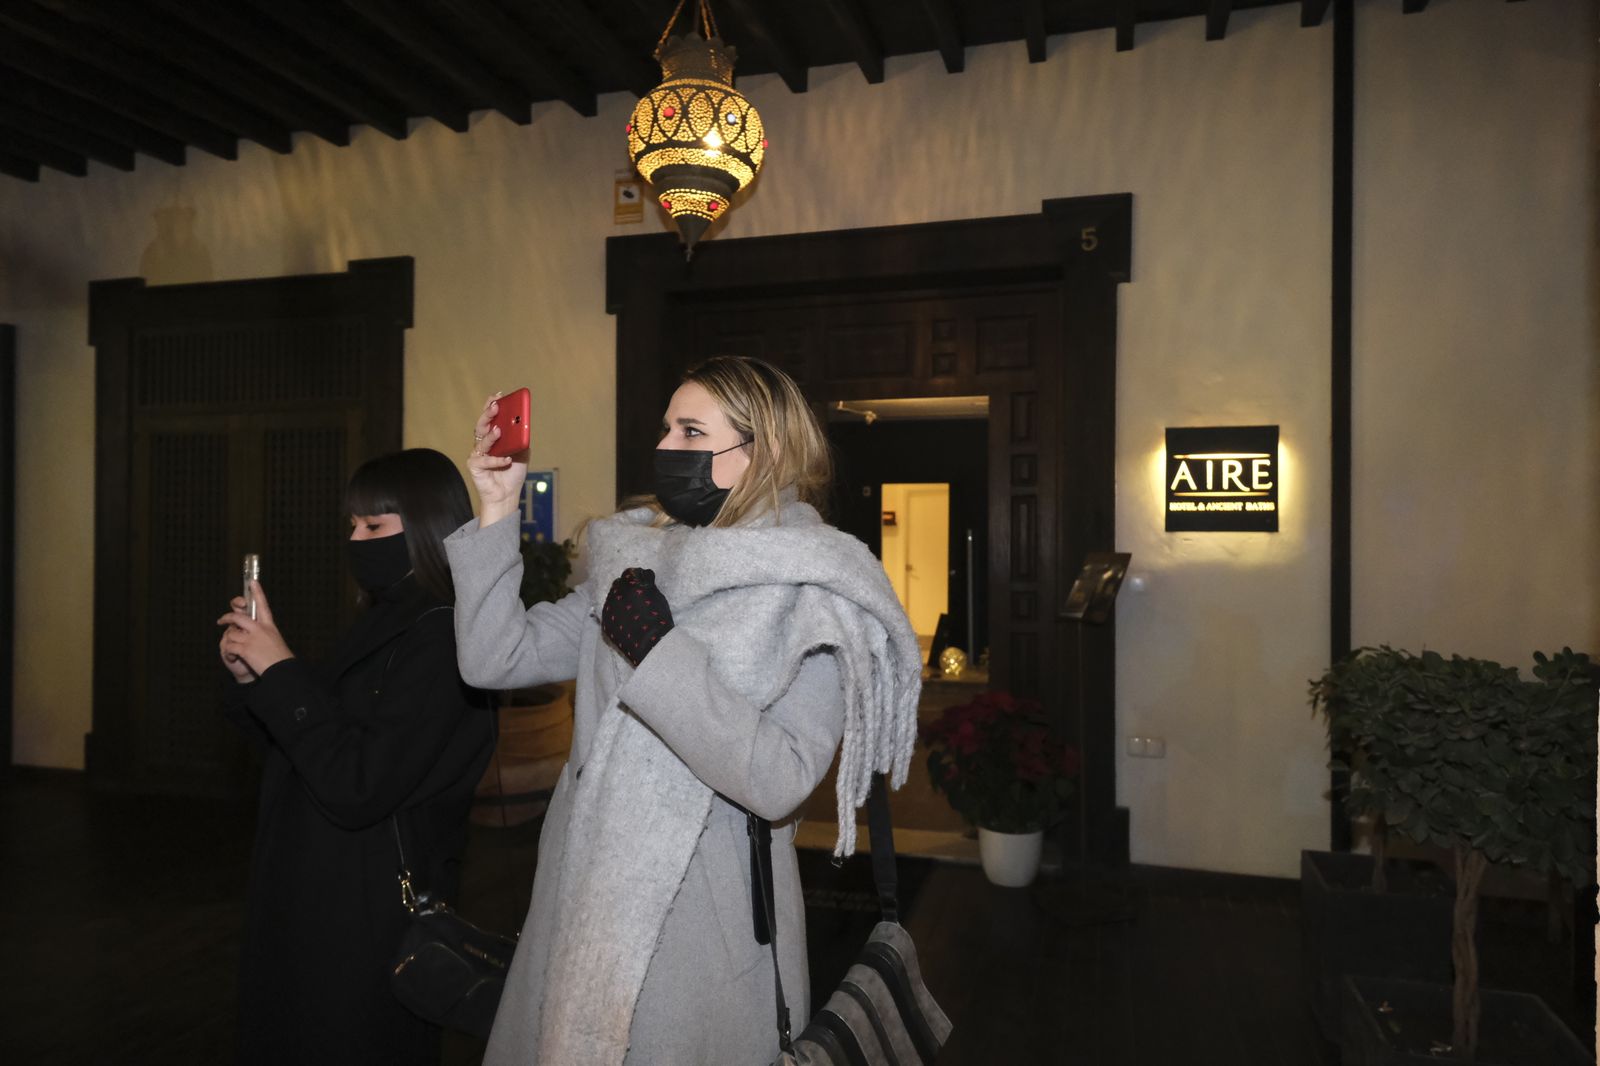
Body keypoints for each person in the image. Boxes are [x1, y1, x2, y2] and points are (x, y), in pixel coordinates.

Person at [447, 356, 925, 1064]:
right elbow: (496, 659)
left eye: (691, 431)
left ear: (758, 452)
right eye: (667, 427)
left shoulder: (815, 593)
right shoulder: (629, 565)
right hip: (581, 913)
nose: (666, 446)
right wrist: (494, 511)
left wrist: (660, 654)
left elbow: (782, 779)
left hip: (705, 944)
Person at [215, 448, 495, 1066]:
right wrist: (251, 677)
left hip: (367, 916)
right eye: (352, 526)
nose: (356, 540)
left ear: (425, 528)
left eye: (374, 526)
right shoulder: (384, 619)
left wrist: (281, 668)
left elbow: (358, 783)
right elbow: (303, 746)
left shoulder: (446, 637)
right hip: (315, 896)